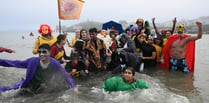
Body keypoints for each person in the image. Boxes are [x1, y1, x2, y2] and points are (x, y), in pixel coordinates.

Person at [0, 44, 76, 95]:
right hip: (28, 87)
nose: (41, 54)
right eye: (39, 52)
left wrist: (73, 88)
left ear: (49, 53)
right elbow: (13, 63)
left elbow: (66, 75)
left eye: (44, 52)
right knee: (7, 92)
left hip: (42, 88)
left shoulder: (55, 63)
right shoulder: (32, 61)